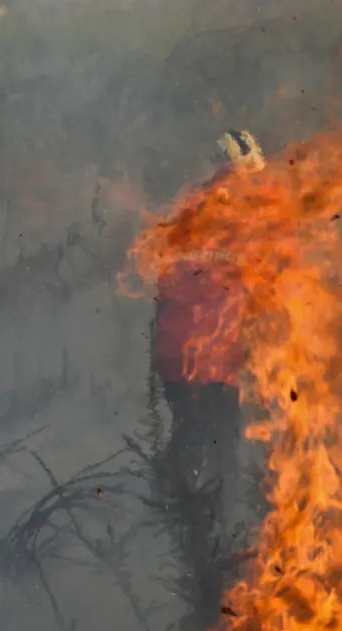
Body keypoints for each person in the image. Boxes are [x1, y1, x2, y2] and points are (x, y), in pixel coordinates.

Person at [152, 130, 264, 527]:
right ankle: (213, 534)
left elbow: (165, 282)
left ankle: (172, 518)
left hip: (175, 351)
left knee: (190, 434)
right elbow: (270, 276)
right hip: (214, 355)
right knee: (222, 446)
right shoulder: (247, 212)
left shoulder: (187, 210)